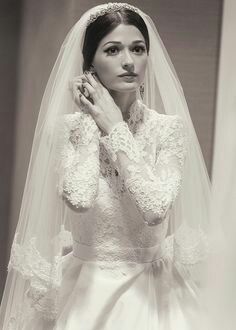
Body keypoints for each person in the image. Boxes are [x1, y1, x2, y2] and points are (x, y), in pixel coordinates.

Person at [0, 3, 222, 329]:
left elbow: (156, 208)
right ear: (91, 63)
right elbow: (79, 197)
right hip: (85, 291)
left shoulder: (168, 129)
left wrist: (115, 127)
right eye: (113, 50)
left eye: (138, 49)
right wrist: (94, 120)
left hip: (154, 292)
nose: (129, 61)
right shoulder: (68, 129)